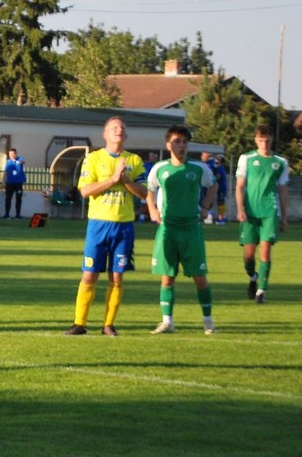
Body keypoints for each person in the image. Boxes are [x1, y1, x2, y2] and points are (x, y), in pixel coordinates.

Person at [65, 116, 148, 336]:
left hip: (123, 226)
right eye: (114, 127)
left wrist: (126, 180)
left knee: (117, 276)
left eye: (122, 127)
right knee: (90, 274)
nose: (118, 130)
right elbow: (84, 191)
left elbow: (144, 193)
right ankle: (79, 323)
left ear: (126, 135)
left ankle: (108, 325)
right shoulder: (93, 159)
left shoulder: (135, 160)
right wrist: (112, 179)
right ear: (105, 134)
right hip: (98, 225)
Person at [147, 125, 217, 334]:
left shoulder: (198, 169)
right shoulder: (160, 168)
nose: (182, 145)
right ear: (169, 144)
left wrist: (205, 207)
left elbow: (212, 186)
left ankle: (208, 322)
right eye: (177, 141)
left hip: (191, 229)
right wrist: (152, 210)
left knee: (200, 278)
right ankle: (167, 322)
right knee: (167, 277)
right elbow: (150, 189)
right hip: (168, 229)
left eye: (185, 142)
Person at [236, 125, 289, 304]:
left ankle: (261, 291)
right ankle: (253, 277)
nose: (264, 143)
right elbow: (240, 185)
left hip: (269, 212)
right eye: (261, 140)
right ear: (256, 140)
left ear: (272, 139)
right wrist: (240, 208)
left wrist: (283, 217)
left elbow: (282, 190)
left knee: (265, 252)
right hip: (250, 212)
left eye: (267, 140)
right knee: (248, 257)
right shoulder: (246, 158)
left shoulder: (280, 162)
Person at [3, 147, 26, 219]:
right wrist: (3, 180)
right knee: (8, 198)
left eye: (13, 154)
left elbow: (23, 161)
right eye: (10, 154)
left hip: (18, 183)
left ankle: (18, 215)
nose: (12, 155)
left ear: (16, 153)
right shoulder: (8, 162)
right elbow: (5, 172)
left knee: (19, 199)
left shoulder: (20, 159)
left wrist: (19, 162)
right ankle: (7, 214)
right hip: (9, 183)